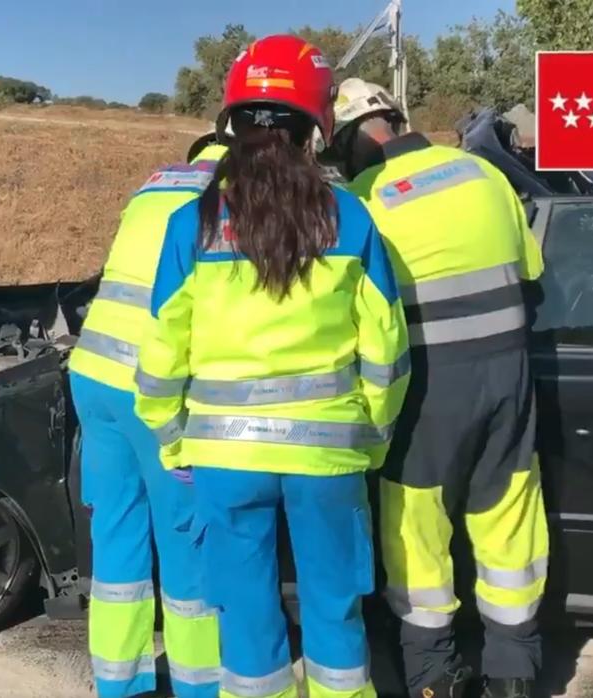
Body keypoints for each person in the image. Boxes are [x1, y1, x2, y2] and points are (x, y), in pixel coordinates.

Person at [135, 35, 411, 698]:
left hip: (224, 460)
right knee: (334, 611)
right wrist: (371, 438)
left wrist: (171, 438)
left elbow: (162, 354)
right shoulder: (351, 217)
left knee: (246, 621)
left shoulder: (190, 225)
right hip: (329, 456)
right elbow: (386, 352)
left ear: (232, 124)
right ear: (314, 128)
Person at [331, 78, 550, 698]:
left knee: (417, 532)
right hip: (509, 377)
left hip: (425, 390)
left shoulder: (364, 199)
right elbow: (532, 279)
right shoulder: (483, 174)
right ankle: (515, 673)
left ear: (352, 143)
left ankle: (434, 677)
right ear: (397, 122)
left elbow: (350, 316)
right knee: (510, 519)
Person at [65, 130, 227, 696]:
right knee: (187, 541)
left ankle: (119, 683)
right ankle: (199, 685)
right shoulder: (229, 195)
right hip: (152, 387)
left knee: (116, 536)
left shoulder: (154, 184)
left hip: (93, 374)